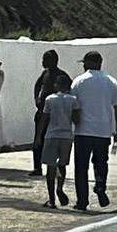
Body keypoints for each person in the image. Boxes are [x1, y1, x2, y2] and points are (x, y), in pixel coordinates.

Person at [69, 51, 117, 212]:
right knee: (101, 163)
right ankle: (100, 185)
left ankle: (82, 201)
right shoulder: (111, 82)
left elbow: (73, 106)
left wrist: (72, 122)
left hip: (83, 131)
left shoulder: (79, 82)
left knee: (81, 168)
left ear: (88, 63)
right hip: (103, 131)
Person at [34, 74, 80, 209]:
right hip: (66, 136)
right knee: (62, 165)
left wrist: (38, 136)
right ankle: (60, 187)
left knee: (50, 167)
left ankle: (52, 200)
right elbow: (77, 119)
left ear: (56, 86)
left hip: (52, 135)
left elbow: (44, 118)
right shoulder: (73, 100)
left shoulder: (50, 99)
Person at [30, 49, 71, 177]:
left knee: (53, 141)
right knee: (38, 139)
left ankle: (55, 167)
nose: (43, 62)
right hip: (42, 111)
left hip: (55, 114)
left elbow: (69, 89)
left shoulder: (61, 75)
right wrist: (36, 98)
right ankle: (37, 167)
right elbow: (37, 86)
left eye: (45, 59)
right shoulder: (45, 74)